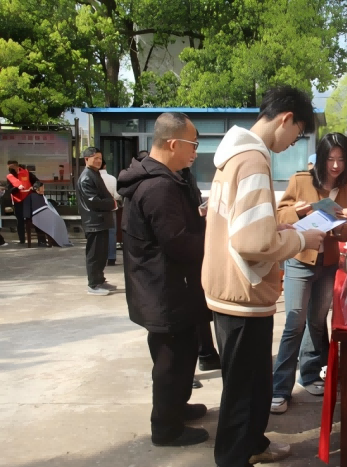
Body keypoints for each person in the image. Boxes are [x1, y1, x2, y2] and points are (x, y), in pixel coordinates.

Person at [201, 86, 326, 467]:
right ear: (286, 119)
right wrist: (302, 238)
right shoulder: (254, 159)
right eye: (297, 133)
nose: (292, 144)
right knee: (243, 390)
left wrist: (278, 230)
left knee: (253, 383)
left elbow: (244, 229)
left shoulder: (234, 155)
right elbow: (253, 242)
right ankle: (234, 457)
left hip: (230, 286)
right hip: (242, 290)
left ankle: (253, 444)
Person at [117, 112, 211, 447]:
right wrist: (216, 237)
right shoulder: (159, 186)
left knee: (182, 354)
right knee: (171, 361)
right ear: (173, 144)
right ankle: (166, 427)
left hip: (163, 287)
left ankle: (176, 407)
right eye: (193, 144)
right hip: (164, 290)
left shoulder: (163, 178)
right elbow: (179, 243)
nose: (195, 152)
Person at [272, 132, 347, 414]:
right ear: (321, 159)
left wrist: (343, 224)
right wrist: (297, 213)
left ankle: (308, 374)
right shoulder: (301, 180)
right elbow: (279, 215)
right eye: (330, 159)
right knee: (294, 322)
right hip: (300, 260)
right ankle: (279, 388)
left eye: (341, 159)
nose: (335, 166)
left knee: (317, 321)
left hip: (328, 262)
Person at [177, 156, 221, 381]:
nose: (194, 153)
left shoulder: (186, 175)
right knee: (185, 314)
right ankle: (184, 371)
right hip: (181, 254)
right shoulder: (166, 180)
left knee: (200, 306)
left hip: (196, 248)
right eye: (191, 146)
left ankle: (206, 353)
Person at [76, 148, 116, 295]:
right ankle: (93, 285)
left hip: (100, 221)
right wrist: (112, 203)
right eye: (95, 158)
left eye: (100, 158)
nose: (99, 161)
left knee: (101, 254)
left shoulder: (94, 174)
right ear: (86, 159)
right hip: (94, 222)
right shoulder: (86, 177)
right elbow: (93, 201)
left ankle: (100, 280)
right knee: (94, 255)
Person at [6, 160, 40, 244]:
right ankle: (22, 240)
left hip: (29, 199)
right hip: (18, 201)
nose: (10, 169)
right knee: (20, 220)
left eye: (11, 166)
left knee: (34, 218)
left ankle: (41, 240)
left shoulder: (27, 173)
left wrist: (34, 187)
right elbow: (10, 190)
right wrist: (17, 188)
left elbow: (37, 182)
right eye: (9, 167)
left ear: (16, 166)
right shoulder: (10, 177)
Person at [99, 162, 121, 266]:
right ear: (105, 166)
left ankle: (100, 257)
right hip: (111, 208)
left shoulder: (93, 179)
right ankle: (111, 258)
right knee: (111, 233)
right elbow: (117, 195)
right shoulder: (112, 178)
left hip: (97, 209)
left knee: (99, 234)